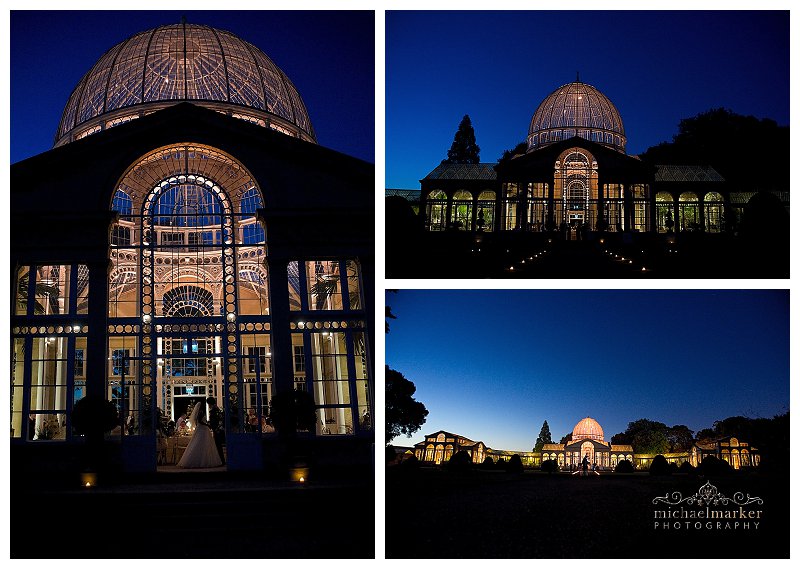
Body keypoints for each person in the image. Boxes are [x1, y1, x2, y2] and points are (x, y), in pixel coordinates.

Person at [177, 401, 222, 468]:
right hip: (202, 429)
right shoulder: (200, 412)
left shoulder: (198, 413)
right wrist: (207, 425)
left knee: (200, 443)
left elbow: (198, 422)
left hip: (201, 429)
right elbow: (200, 421)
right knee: (201, 443)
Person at [207, 396, 225, 465]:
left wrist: (210, 426)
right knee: (218, 446)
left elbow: (215, 421)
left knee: (218, 446)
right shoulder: (216, 409)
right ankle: (221, 460)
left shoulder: (214, 410)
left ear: (210, 403)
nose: (208, 405)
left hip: (217, 430)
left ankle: (221, 461)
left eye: (208, 404)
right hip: (217, 429)